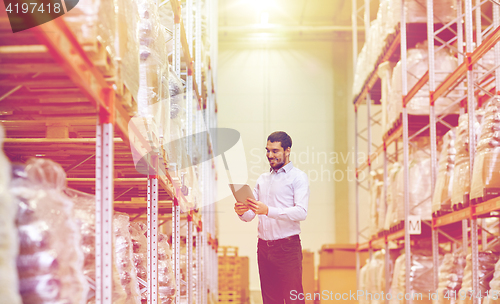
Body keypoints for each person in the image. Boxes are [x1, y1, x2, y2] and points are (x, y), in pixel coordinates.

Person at [234, 131, 309, 304]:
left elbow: (301, 212)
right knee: (270, 300)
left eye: (275, 151)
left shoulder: (298, 177)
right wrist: (241, 211)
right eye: (267, 150)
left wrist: (268, 210)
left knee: (293, 300)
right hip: (264, 248)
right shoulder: (262, 179)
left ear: (287, 150)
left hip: (287, 248)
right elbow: (251, 214)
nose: (269, 155)